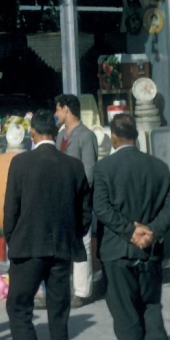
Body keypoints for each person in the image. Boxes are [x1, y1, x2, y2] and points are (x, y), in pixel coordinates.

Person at [3, 108, 92, 340]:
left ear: (32, 133)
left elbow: (11, 210)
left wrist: (13, 240)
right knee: (59, 319)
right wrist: (72, 234)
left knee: (18, 310)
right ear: (55, 133)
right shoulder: (73, 166)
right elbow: (85, 213)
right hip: (62, 250)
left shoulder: (20, 163)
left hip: (28, 249)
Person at [93, 113, 170, 340]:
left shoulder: (103, 168)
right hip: (150, 251)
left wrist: (130, 232)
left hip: (117, 252)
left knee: (125, 314)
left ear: (113, 137)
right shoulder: (158, 167)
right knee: (151, 306)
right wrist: (152, 231)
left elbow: (101, 208)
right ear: (137, 136)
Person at [54, 92, 99, 306]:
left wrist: (75, 190)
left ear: (66, 109)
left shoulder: (86, 136)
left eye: (58, 109)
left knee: (83, 242)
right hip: (61, 196)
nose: (56, 114)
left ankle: (82, 291)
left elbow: (89, 172)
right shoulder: (60, 136)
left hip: (79, 197)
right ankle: (64, 286)